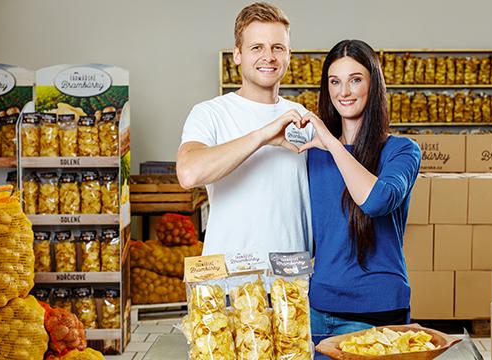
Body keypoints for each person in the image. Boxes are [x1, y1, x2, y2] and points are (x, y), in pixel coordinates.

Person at [297, 40, 421, 342]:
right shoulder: (313, 154)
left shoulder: (401, 151)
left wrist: (332, 144)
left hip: (374, 310)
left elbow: (376, 200)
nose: (344, 92)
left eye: (355, 80)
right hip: (317, 308)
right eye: (334, 82)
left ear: (373, 85)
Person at [176, 2, 314, 260]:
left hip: (292, 280)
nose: (269, 57)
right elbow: (188, 173)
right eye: (257, 47)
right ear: (237, 54)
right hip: (229, 281)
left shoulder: (302, 117)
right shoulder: (210, 113)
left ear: (288, 55)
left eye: (277, 48)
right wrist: (263, 136)